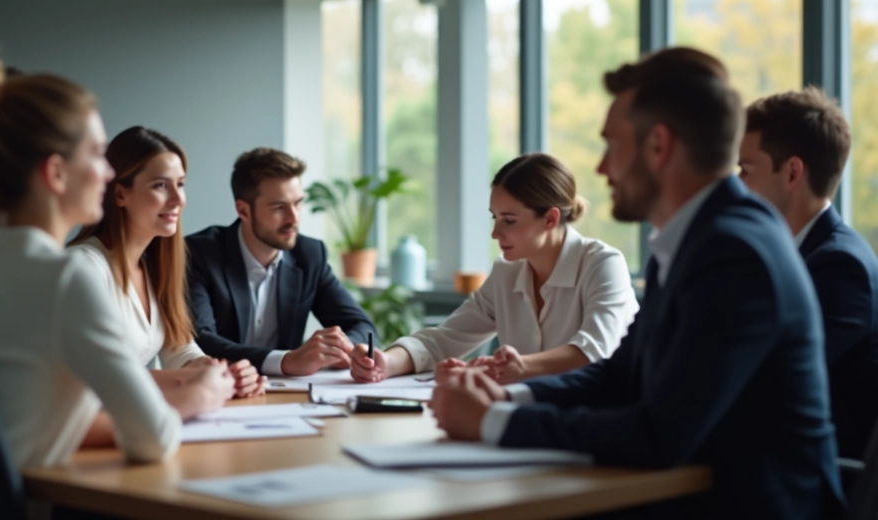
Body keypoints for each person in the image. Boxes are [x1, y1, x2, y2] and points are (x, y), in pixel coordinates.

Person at [429, 47, 844, 519]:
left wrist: (493, 421)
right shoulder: (698, 238)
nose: (603, 168)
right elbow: (620, 374)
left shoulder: (735, 251)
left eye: (611, 144)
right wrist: (509, 394)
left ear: (659, 146)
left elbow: (659, 434)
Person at [0, 58, 233, 468]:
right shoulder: (66, 276)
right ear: (56, 173)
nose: (108, 172)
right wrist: (202, 395)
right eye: (96, 154)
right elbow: (153, 438)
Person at [350, 153, 638, 385]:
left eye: (509, 220)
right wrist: (386, 362)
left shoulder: (603, 264)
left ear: (550, 219)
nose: (495, 233)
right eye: (495, 218)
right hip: (531, 417)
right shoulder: (507, 272)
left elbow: (596, 352)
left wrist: (515, 368)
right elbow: (444, 339)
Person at [69, 126, 265, 400]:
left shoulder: (154, 265)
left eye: (180, 184)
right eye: (161, 185)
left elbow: (179, 348)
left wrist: (217, 371)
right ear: (119, 195)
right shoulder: (83, 267)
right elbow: (96, 376)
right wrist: (192, 379)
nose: (178, 199)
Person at [739, 87, 878, 460]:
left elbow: (766, 381)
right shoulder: (794, 254)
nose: (737, 185)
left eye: (746, 171)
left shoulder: (840, 267)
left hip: (807, 483)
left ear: (792, 172)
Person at [186, 147, 378, 376]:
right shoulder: (198, 254)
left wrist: (347, 348)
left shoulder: (309, 255)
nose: (294, 218)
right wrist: (286, 361)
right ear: (244, 211)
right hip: (223, 390)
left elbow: (362, 326)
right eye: (279, 207)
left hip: (287, 395)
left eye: (298, 203)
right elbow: (201, 341)